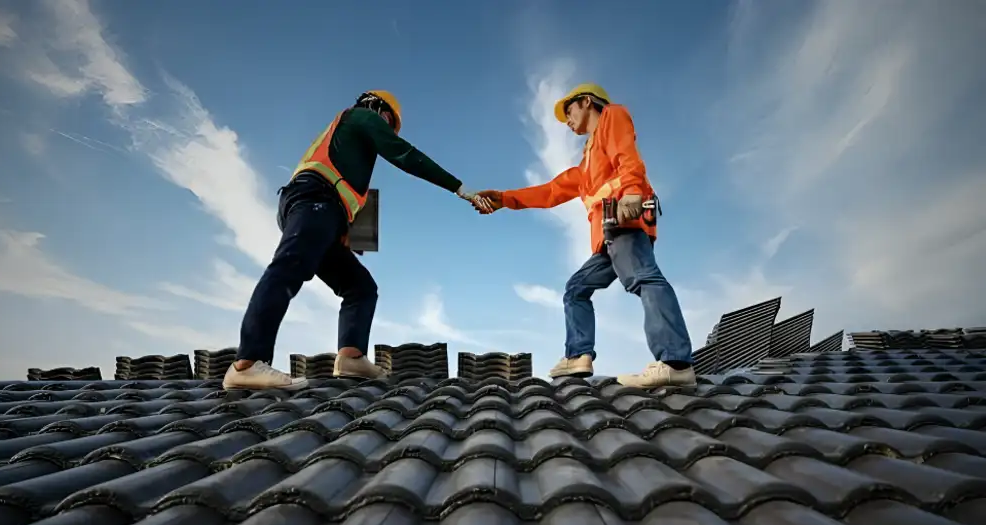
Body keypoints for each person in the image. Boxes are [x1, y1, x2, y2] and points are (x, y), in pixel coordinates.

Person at [224, 90, 477, 391]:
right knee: (289, 266)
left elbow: (348, 185)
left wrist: (347, 228)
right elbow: (404, 154)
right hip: (314, 199)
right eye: (388, 120)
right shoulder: (360, 116)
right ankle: (247, 363)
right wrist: (458, 187)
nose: (385, 125)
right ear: (375, 107)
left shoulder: (348, 144)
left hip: (326, 211)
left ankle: (351, 357)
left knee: (360, 287)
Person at [469, 83, 696, 389]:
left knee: (643, 277)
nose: (567, 120)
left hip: (626, 222)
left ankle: (676, 362)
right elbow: (549, 192)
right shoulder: (585, 167)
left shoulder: (611, 118)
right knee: (576, 289)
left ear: (587, 101)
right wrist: (504, 198)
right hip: (609, 238)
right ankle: (578, 356)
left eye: (570, 111)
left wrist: (630, 192)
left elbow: (627, 156)